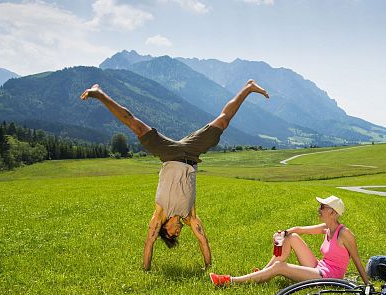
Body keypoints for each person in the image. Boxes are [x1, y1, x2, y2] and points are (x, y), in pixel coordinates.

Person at [80, 80, 269, 271]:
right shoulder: (189, 217)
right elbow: (203, 240)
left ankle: (99, 93)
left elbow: (148, 244)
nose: (178, 232)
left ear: (165, 232)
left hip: (169, 153)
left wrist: (146, 269)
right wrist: (208, 267)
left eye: (174, 234)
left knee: (135, 126)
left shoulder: (159, 216)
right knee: (223, 122)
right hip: (191, 154)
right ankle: (248, 88)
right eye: (178, 234)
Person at [209, 195, 371, 286]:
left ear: (334, 213)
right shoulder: (326, 227)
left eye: (323, 207)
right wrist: (282, 234)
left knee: (280, 266)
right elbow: (299, 229)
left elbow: (357, 260)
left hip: (329, 278)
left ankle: (230, 281)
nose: (319, 209)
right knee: (291, 237)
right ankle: (262, 273)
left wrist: (368, 286)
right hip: (319, 268)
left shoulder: (344, 233)